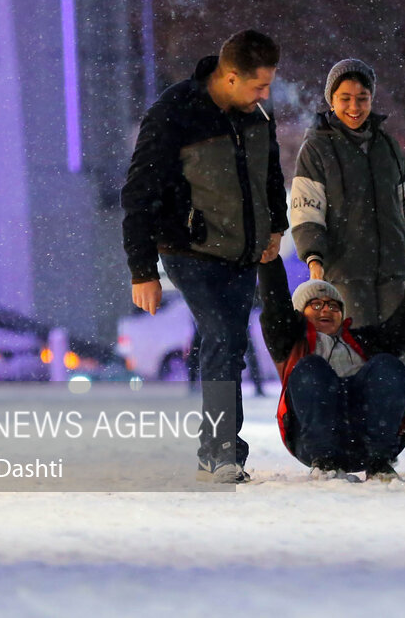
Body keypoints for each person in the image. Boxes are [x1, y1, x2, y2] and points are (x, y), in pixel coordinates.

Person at [121, 29, 287, 484]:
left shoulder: (256, 112)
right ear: (231, 77)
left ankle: (215, 452)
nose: (265, 95)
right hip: (189, 249)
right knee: (223, 338)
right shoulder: (174, 112)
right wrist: (142, 270)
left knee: (228, 345)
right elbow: (138, 193)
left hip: (242, 250)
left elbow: (270, 171)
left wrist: (276, 225)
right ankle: (221, 452)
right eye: (259, 85)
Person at [289, 59, 405, 357]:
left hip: (395, 272)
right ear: (331, 100)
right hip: (344, 274)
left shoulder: (388, 146)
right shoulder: (316, 149)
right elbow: (307, 212)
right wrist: (314, 259)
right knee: (353, 356)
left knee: (398, 357)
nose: (354, 107)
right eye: (345, 98)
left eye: (362, 98)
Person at [257, 255, 405, 482]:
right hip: (312, 441)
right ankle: (324, 464)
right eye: (316, 304)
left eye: (334, 306)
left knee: (387, 364)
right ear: (300, 313)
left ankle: (380, 463)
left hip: (366, 438)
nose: (326, 310)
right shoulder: (290, 343)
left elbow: (403, 328)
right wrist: (269, 262)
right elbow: (275, 306)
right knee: (311, 367)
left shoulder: (363, 340)